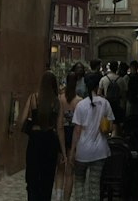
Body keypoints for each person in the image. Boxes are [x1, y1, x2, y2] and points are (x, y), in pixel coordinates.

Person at [20, 71, 66, 201]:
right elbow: (60, 127)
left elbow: (22, 120)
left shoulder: (33, 98)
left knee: (32, 176)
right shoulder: (57, 102)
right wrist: (63, 152)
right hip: (50, 140)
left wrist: (30, 126)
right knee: (47, 177)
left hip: (35, 139)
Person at [69, 70, 113, 201]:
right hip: (100, 151)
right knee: (94, 185)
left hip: (82, 151)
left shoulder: (81, 105)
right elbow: (110, 127)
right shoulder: (105, 103)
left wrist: (72, 151)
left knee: (79, 182)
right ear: (96, 85)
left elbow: (77, 131)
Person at [59, 68, 83, 201]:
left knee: (60, 170)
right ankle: (66, 199)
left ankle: (57, 196)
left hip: (62, 133)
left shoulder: (60, 99)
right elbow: (79, 126)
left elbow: (59, 124)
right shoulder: (80, 101)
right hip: (74, 135)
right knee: (70, 172)